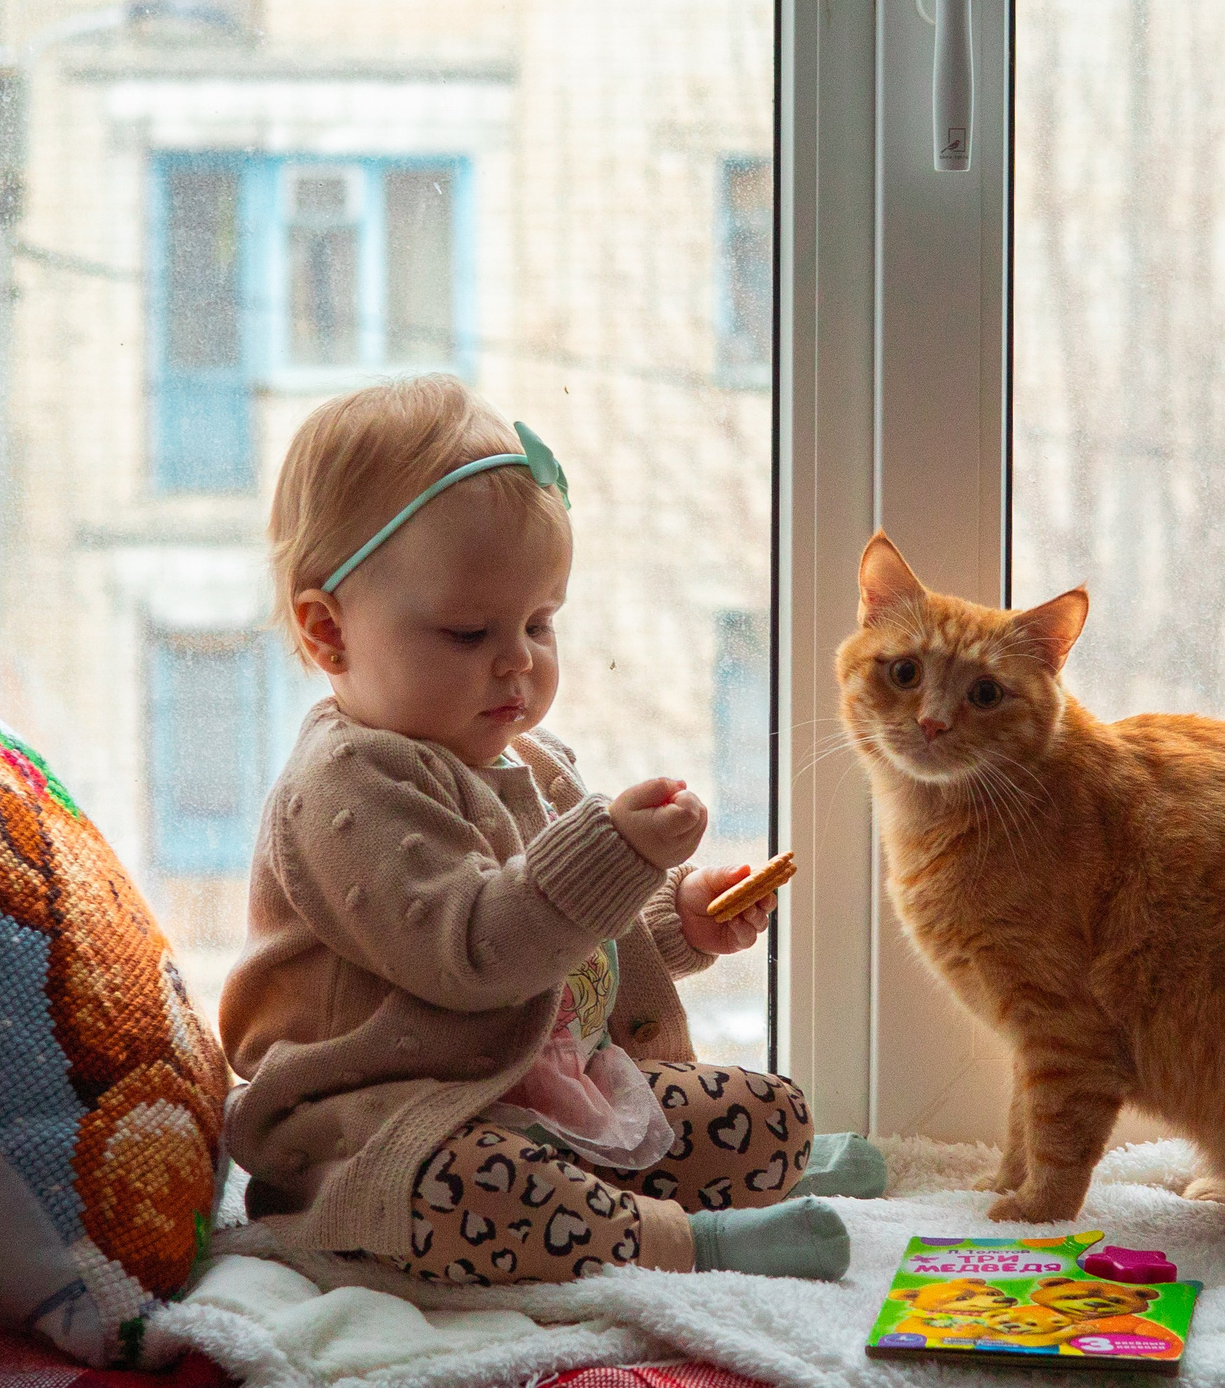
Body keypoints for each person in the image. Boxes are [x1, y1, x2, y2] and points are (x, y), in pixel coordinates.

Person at [219, 375, 879, 1283]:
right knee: (475, 1189)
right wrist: (614, 851)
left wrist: (675, 922)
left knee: (768, 1112)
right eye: (467, 631)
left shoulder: (530, 760)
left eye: (540, 622)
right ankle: (691, 1240)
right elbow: (479, 953)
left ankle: (762, 1166)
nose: (518, 662)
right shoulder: (347, 784)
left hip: (529, 1082)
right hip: (387, 1122)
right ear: (329, 633)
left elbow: (568, 950)